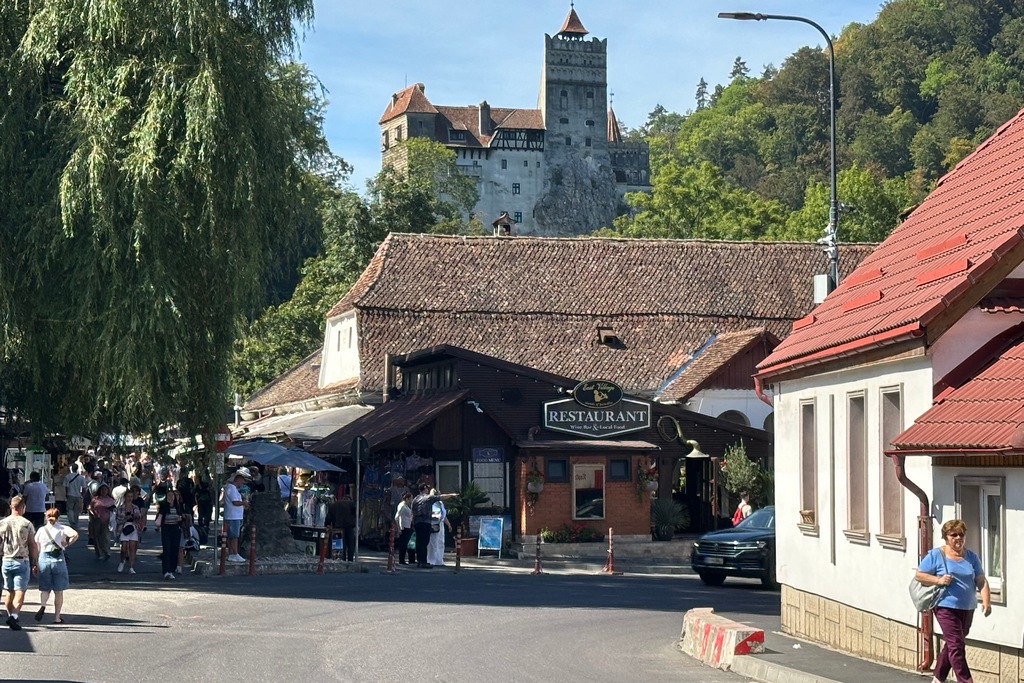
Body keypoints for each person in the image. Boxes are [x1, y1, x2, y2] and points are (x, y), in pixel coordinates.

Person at [915, 519, 991, 683]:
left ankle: (938, 677)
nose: (958, 538)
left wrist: (986, 601)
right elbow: (919, 575)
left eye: (961, 535)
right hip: (945, 606)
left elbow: (981, 580)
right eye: (953, 535)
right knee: (956, 645)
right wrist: (938, 580)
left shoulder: (971, 557)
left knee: (953, 643)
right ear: (946, 537)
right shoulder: (937, 555)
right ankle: (965, 681)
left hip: (967, 607)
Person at [0, 495, 39, 630]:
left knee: (9, 591)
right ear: (23, 508)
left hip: (6, 560)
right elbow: (32, 544)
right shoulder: (27, 524)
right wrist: (35, 561)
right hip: (21, 560)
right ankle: (14, 616)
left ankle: (10, 615)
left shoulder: (2, 523)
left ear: (11, 506)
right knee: (20, 591)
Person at [34, 507, 78, 624]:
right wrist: (67, 543)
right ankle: (57, 617)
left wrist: (35, 563)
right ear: (58, 518)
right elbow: (75, 534)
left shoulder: (41, 530)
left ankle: (43, 605)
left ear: (46, 517)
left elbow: (37, 548)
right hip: (58, 558)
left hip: (44, 558)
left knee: (45, 589)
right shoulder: (62, 528)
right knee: (58, 591)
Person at [411, 484, 456, 569]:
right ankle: (423, 562)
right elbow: (442, 497)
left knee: (419, 542)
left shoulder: (415, 499)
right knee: (425, 542)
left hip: (417, 522)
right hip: (425, 522)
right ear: (425, 489)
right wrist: (452, 495)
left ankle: (419, 561)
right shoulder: (428, 498)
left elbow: (412, 512)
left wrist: (413, 522)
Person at [220, 468, 251, 563]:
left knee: (232, 536)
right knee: (234, 536)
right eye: (243, 481)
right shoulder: (231, 488)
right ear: (239, 479)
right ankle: (235, 553)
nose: (243, 483)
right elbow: (235, 502)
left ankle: (232, 553)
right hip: (233, 516)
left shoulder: (232, 488)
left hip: (233, 515)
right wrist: (244, 503)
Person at [154, 484, 184, 579]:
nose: (170, 498)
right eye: (168, 496)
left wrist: (180, 518)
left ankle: (172, 570)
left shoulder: (178, 506)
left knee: (175, 550)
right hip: (166, 529)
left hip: (175, 529)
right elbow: (160, 517)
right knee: (167, 550)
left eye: (172, 496)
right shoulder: (164, 506)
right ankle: (166, 571)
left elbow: (182, 517)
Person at [115, 488, 144, 574]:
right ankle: (122, 561)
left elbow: (139, 518)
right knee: (124, 547)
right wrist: (125, 518)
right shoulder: (120, 508)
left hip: (133, 527)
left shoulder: (135, 507)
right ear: (125, 497)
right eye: (128, 496)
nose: (130, 498)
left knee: (132, 548)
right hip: (123, 527)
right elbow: (117, 520)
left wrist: (135, 517)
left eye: (131, 496)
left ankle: (131, 567)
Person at [325, 494, 358, 562]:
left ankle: (340, 559)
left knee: (338, 546)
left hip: (337, 528)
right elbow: (357, 514)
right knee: (350, 546)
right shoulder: (352, 504)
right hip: (349, 527)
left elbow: (328, 517)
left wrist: (327, 524)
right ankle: (350, 561)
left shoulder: (334, 505)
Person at [87, 484, 115, 560]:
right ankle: (99, 553)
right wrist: (93, 514)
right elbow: (90, 507)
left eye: (105, 489)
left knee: (105, 536)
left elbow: (114, 509)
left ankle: (106, 551)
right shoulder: (95, 499)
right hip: (97, 518)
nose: (104, 491)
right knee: (97, 536)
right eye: (102, 489)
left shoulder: (110, 499)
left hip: (107, 519)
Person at [427, 489, 452, 567]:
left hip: (440, 523)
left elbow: (444, 515)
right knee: (433, 542)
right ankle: (431, 560)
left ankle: (439, 560)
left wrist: (448, 524)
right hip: (433, 523)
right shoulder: (429, 503)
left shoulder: (440, 503)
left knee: (441, 542)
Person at [63, 464, 87, 529]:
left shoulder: (67, 477)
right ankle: (75, 522)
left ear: (71, 468)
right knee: (76, 510)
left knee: (70, 509)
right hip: (78, 495)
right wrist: (82, 496)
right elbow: (84, 488)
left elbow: (66, 487)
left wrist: (66, 494)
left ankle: (72, 521)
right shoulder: (81, 477)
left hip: (70, 494)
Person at [394, 492, 414, 565]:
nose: (412, 500)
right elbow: (397, 517)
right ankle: (401, 560)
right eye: (411, 498)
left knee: (406, 543)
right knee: (403, 544)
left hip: (408, 526)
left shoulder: (406, 506)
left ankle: (408, 559)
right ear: (407, 499)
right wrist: (399, 528)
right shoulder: (402, 506)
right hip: (404, 527)